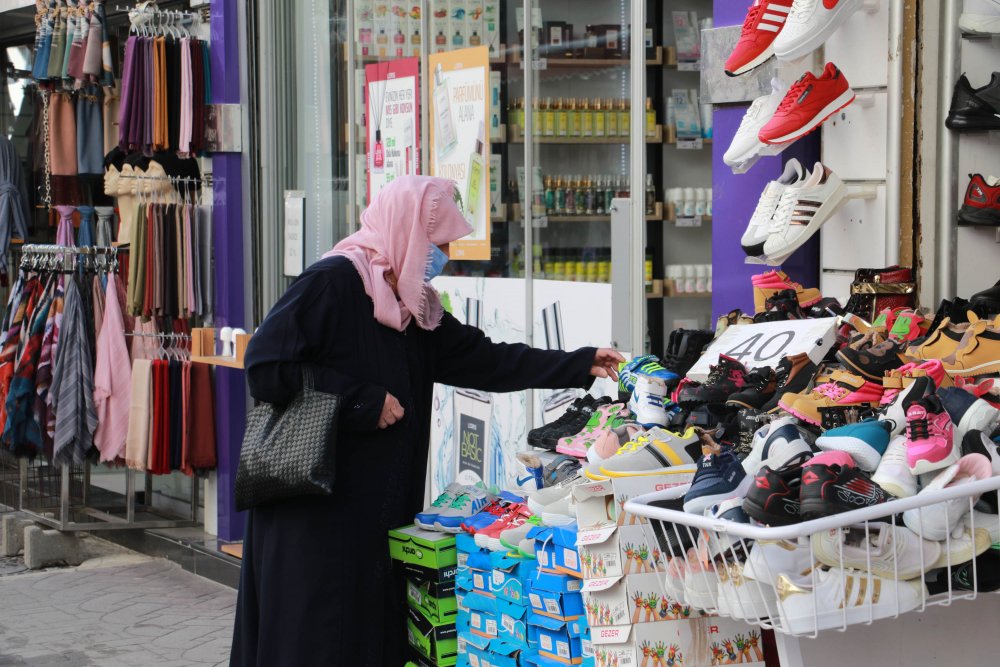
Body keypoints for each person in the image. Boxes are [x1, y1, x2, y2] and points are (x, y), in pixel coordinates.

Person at [230, 176, 623, 666]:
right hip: (313, 517)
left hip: (373, 515)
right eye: (438, 244)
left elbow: (488, 360)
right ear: (407, 233)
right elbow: (266, 368)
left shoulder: (414, 309)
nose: (445, 255)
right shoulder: (332, 283)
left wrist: (579, 362)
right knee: (312, 637)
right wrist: (360, 400)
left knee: (367, 635)